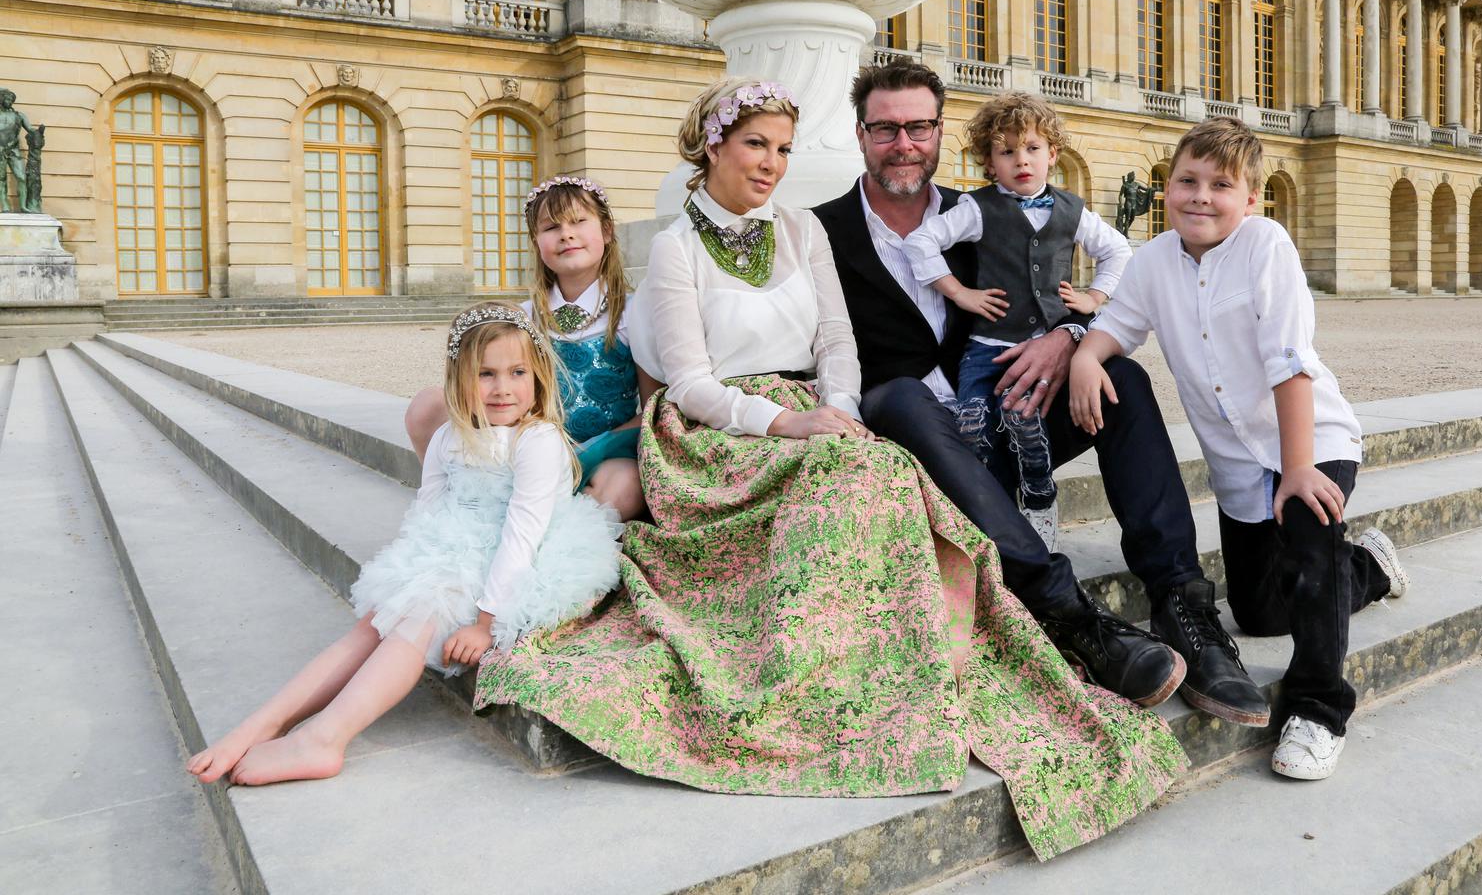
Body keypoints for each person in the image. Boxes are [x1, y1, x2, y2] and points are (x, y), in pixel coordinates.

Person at [473, 78, 1186, 862]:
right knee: (854, 484)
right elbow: (690, 383)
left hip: (831, 409)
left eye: (783, 148)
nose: (772, 163)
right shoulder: (676, 247)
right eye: (755, 144)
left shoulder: (810, 227)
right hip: (721, 430)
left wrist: (836, 413)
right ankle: (831, 688)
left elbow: (837, 343)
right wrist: (787, 423)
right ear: (712, 144)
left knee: (879, 471)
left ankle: (1128, 610)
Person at [813, 58, 1267, 727]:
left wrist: (1071, 335)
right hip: (911, 445)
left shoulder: (979, 210)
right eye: (885, 129)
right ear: (860, 134)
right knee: (902, 396)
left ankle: (1181, 602)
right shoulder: (818, 229)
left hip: (1005, 421)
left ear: (939, 132)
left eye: (919, 127)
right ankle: (1069, 612)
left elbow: (1068, 290)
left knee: (1119, 377)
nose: (903, 143)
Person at [1069, 118, 1410, 780]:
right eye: (1187, 181)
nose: (1200, 195)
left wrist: (1299, 468)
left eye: (1221, 185)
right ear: (1167, 187)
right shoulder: (1152, 262)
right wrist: (1086, 356)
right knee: (1258, 612)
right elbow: (1116, 327)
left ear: (1251, 199)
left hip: (1310, 439)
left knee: (1310, 545)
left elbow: (1289, 360)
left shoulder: (1266, 245)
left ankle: (1319, 709)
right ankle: (1367, 566)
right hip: (1237, 468)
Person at [186, 302, 623, 786]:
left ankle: (326, 738)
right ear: (459, 379)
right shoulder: (449, 436)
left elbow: (523, 534)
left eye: (517, 373)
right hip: (456, 545)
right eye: (486, 374)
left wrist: (484, 623)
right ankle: (267, 722)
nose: (503, 388)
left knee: (416, 624)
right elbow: (428, 511)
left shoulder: (536, 440)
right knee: (375, 623)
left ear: (537, 375)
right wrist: (410, 575)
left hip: (522, 560)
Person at [902, 90, 1130, 547]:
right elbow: (919, 242)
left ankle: (1040, 498)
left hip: (1047, 345)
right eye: (1006, 152)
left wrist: (1094, 296)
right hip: (987, 349)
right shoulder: (976, 208)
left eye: (1032, 148)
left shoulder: (1073, 210)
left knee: (1027, 421)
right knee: (972, 424)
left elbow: (1119, 250)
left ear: (1053, 154)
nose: (1021, 160)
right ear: (989, 163)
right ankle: (987, 515)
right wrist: (959, 292)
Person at [404, 178, 644, 519]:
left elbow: (653, 406)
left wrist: (587, 449)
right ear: (536, 242)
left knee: (625, 485)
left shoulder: (634, 313)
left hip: (599, 455)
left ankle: (553, 529)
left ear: (607, 230)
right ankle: (465, 508)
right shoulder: (521, 318)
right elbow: (488, 384)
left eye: (578, 221)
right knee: (428, 405)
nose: (566, 234)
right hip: (523, 446)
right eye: (551, 227)